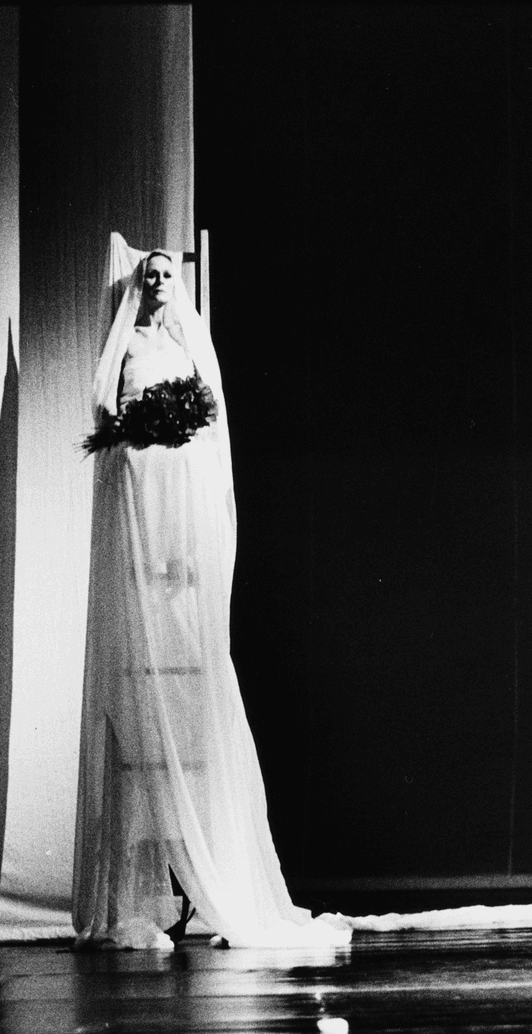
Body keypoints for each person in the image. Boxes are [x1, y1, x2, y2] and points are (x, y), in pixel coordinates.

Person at [73, 234, 349, 950]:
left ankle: (215, 879)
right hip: (141, 476)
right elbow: (107, 407)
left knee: (190, 626)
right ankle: (138, 897)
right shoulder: (127, 344)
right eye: (151, 274)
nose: (160, 283)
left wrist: (178, 429)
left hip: (182, 482)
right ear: (138, 284)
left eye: (168, 275)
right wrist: (143, 431)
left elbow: (210, 417)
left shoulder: (186, 341)